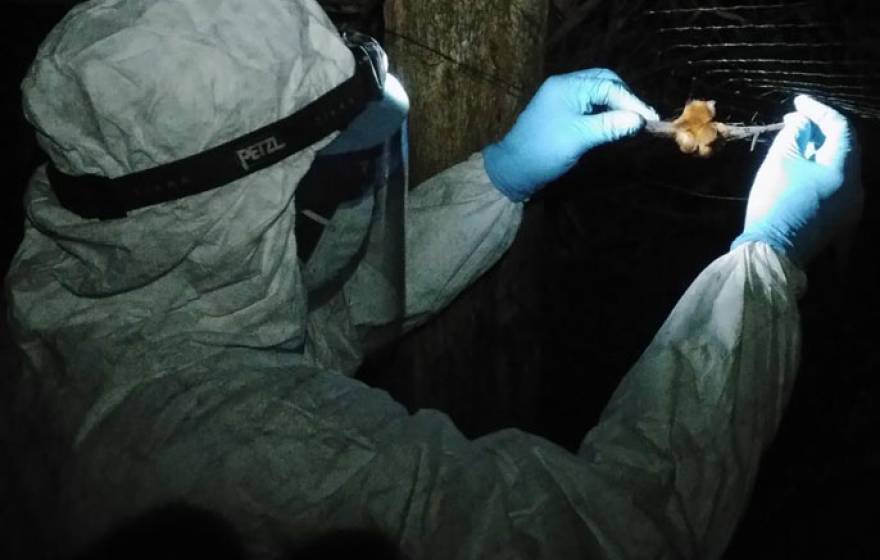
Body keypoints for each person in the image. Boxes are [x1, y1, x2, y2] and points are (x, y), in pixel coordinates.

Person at [2, 0, 862, 559]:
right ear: (244, 201)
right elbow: (622, 534)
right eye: (318, 165)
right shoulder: (270, 476)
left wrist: (497, 178)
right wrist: (768, 260)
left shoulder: (71, 304)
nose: (341, 180)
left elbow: (312, 337)